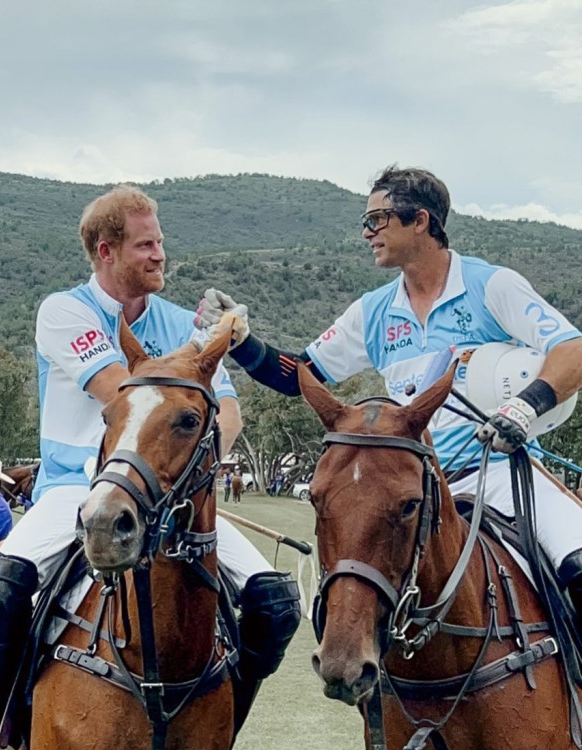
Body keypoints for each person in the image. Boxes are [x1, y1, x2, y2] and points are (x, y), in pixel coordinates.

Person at [0, 185, 301, 750]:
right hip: (76, 486)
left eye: (161, 242)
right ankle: (0, 739)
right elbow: (124, 396)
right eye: (146, 244)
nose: (159, 253)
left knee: (272, 603)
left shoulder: (181, 323)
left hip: (173, 496)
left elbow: (223, 411)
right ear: (106, 249)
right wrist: (209, 348)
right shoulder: (65, 312)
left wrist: (195, 459)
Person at [196, 164, 582, 618]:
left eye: (376, 220)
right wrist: (241, 341)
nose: (366, 233)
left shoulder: (492, 285)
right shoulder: (374, 311)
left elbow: (571, 349)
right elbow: (298, 374)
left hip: (498, 474)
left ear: (419, 220)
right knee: (350, 598)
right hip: (412, 485)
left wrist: (524, 407)